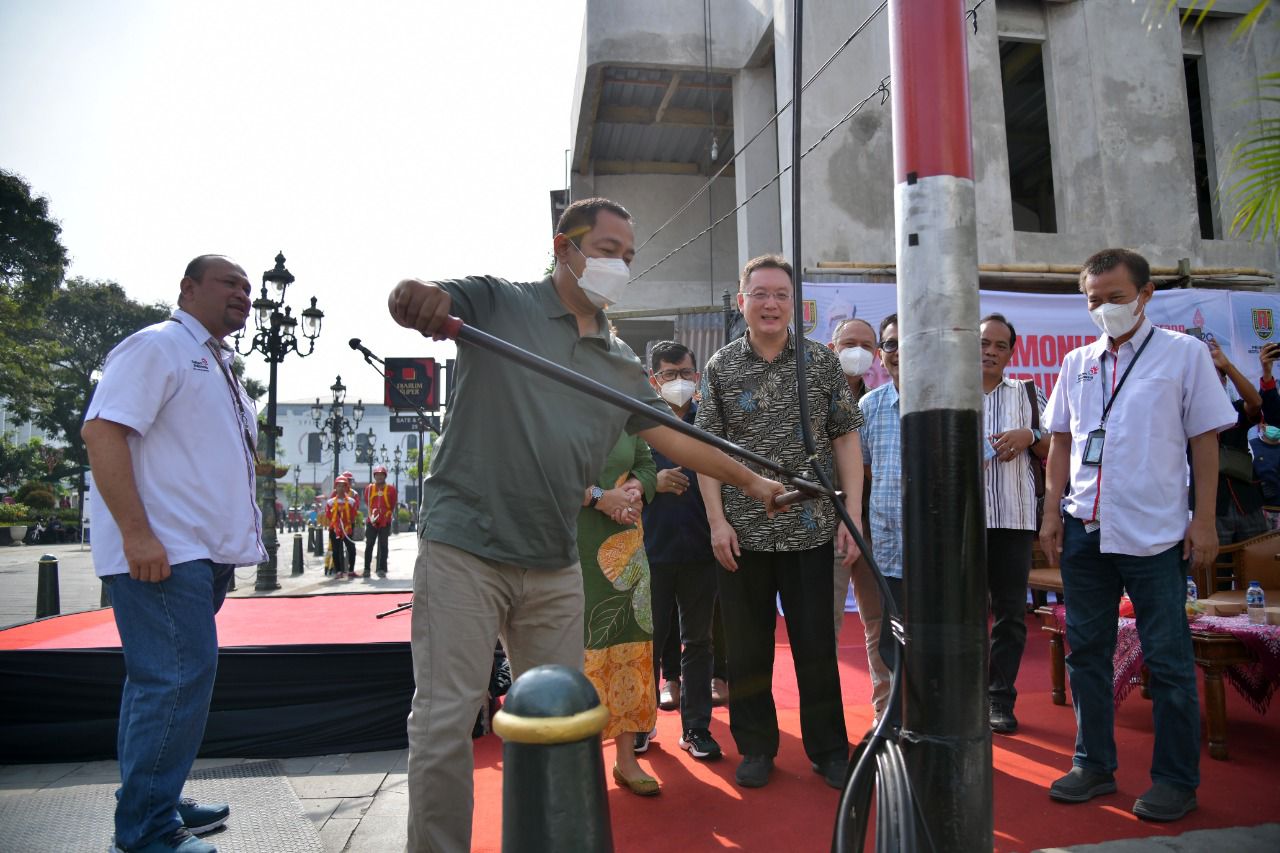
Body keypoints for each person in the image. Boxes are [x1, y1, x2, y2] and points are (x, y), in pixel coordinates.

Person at [386, 197, 788, 853]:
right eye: (607, 250)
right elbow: (425, 296)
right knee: (444, 721)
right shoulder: (501, 303)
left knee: (561, 723)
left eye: (629, 256)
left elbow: (676, 437)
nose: (619, 266)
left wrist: (751, 480)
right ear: (564, 246)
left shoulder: (617, 362)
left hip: (553, 562)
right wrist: (414, 298)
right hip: (465, 548)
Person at [1040, 248, 1236, 822]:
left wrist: (1204, 521)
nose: (1103, 310)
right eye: (1093, 300)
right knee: (1088, 655)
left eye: (1116, 298)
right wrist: (1052, 514)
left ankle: (1176, 780)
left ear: (1146, 295)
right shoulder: (1076, 362)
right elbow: (1060, 442)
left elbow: (1204, 439)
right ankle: (1093, 764)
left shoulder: (1184, 354)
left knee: (1169, 660)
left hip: (1154, 536)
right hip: (1085, 531)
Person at [81, 254, 264, 853]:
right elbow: (103, 431)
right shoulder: (157, 346)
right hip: (162, 552)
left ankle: (157, 795)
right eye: (229, 283)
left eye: (248, 287)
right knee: (174, 681)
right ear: (188, 289)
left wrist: (227, 552)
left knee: (160, 685)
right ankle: (146, 831)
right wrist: (137, 535)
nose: (244, 294)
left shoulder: (218, 362)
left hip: (196, 554)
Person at [696, 254, 863, 790]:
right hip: (741, 536)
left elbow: (845, 439)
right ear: (741, 300)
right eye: (760, 293)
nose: (771, 303)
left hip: (812, 528)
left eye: (781, 294)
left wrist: (850, 513)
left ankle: (829, 749)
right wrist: (718, 523)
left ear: (796, 303)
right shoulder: (720, 366)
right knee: (746, 648)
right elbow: (704, 453)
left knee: (817, 644)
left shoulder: (820, 362)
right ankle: (756, 748)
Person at [642, 341, 723, 764]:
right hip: (649, 553)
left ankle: (696, 729)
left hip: (699, 551)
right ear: (654, 380)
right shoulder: (639, 424)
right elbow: (623, 477)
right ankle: (641, 723)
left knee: (699, 642)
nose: (679, 381)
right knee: (648, 642)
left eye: (686, 373)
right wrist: (653, 479)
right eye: (670, 374)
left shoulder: (707, 422)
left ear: (697, 376)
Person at [979, 314, 1049, 734]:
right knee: (966, 615)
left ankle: (1000, 699)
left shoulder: (1026, 391)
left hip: (1013, 518)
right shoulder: (952, 392)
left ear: (1010, 352)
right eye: (983, 342)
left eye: (999, 345)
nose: (989, 351)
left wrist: (1029, 436)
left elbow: (1057, 443)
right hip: (963, 520)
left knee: (1010, 613)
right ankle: (967, 697)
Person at [580, 431, 660, 793]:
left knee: (629, 643)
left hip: (626, 547)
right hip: (571, 547)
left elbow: (645, 461)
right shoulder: (558, 400)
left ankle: (626, 759)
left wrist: (634, 488)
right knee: (578, 650)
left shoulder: (624, 406)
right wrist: (600, 497)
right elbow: (545, 473)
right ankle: (580, 763)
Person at [827, 317, 891, 720]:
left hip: (878, 532)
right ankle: (827, 720)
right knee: (826, 628)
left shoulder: (881, 403)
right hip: (827, 530)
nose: (858, 350)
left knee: (880, 625)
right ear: (832, 349)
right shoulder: (811, 400)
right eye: (849, 342)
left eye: (866, 344)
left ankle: (886, 713)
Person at [363, 465, 397, 577]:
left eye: (381, 474)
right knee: (369, 545)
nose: (379, 477)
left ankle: (382, 568)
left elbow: (392, 504)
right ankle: (367, 569)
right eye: (377, 475)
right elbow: (367, 502)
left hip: (385, 520)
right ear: (374, 476)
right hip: (372, 520)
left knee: (383, 545)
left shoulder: (391, 489)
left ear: (385, 476)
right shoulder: (369, 488)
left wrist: (386, 515)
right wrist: (373, 514)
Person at [325, 475, 358, 578]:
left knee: (351, 548)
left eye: (343, 486)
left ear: (347, 488)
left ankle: (351, 570)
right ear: (335, 487)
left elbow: (353, 515)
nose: (341, 488)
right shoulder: (330, 503)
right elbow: (328, 515)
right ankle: (339, 572)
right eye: (339, 486)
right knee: (336, 550)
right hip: (335, 529)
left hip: (347, 529)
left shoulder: (352, 502)